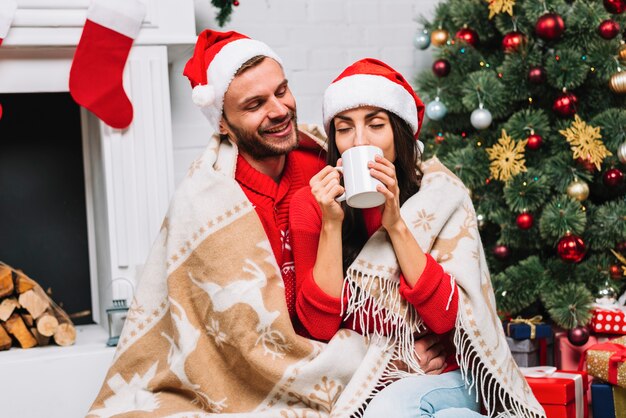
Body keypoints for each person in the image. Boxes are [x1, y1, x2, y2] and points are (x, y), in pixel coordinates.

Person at [87, 30, 463, 418]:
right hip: (290, 365)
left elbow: (441, 301)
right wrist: (383, 366)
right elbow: (243, 343)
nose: (279, 110)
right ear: (223, 124)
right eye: (255, 105)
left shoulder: (327, 167)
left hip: (378, 352)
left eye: (281, 91)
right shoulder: (210, 205)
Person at [289, 58, 488, 417]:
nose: (358, 142)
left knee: (394, 409)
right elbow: (317, 327)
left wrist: (395, 222)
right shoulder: (311, 203)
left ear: (400, 132)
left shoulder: (436, 195)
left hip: (447, 373)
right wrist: (331, 224)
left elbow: (445, 320)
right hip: (367, 377)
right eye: (344, 128)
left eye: (376, 125)